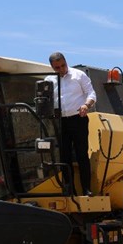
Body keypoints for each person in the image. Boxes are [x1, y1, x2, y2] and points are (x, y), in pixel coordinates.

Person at [48, 52, 97, 196]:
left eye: (63, 65)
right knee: (64, 156)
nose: (61, 69)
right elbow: (44, 99)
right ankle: (69, 189)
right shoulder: (49, 80)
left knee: (82, 155)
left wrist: (86, 105)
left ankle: (86, 189)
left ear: (65, 62)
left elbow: (91, 93)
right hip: (60, 121)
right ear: (52, 67)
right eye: (57, 67)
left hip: (78, 118)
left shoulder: (79, 75)